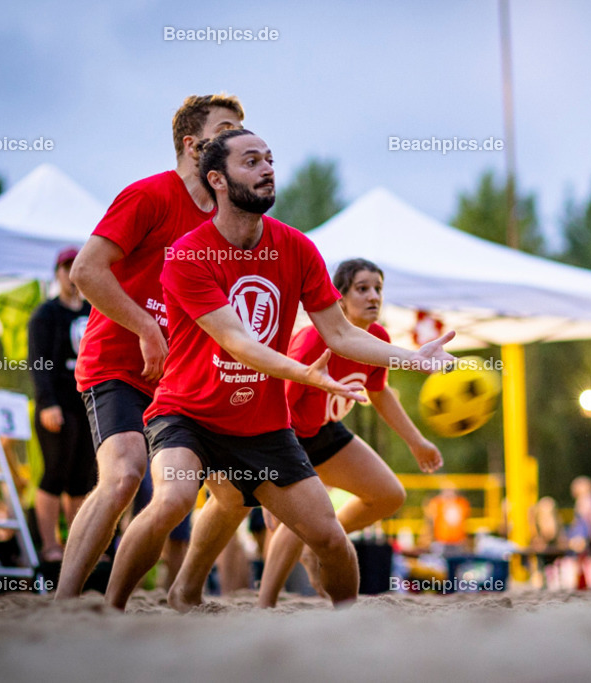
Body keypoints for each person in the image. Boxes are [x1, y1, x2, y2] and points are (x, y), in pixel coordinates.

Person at [104, 129, 455, 612]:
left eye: (270, 159)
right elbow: (238, 342)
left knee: (328, 537)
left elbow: (343, 334)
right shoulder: (188, 253)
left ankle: (347, 624)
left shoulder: (297, 248)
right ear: (218, 180)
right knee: (172, 500)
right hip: (187, 412)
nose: (268, 169)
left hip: (260, 423)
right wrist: (305, 375)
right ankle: (107, 612)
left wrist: (414, 359)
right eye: (251, 161)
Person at [55, 94, 245, 599]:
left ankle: (183, 592)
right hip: (117, 364)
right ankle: (64, 605)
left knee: (231, 491)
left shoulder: (226, 220)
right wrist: (146, 327)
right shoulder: (148, 196)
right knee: (123, 476)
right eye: (226, 128)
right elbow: (85, 271)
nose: (237, 139)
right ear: (193, 143)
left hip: (180, 382)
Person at [255, 257, 443, 607]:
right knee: (296, 522)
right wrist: (273, 467)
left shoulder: (378, 338)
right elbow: (278, 402)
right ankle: (264, 606)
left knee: (389, 495)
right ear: (339, 298)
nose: (373, 296)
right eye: (363, 289)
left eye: (378, 289)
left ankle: (321, 541)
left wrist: (417, 441)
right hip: (287, 433)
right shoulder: (313, 340)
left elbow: (380, 392)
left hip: (326, 431)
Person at [28, 247, 94, 562]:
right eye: (66, 267)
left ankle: (77, 546)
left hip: (86, 403)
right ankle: (49, 544)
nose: (72, 274)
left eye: (76, 266)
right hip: (57, 402)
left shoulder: (92, 311)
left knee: (83, 476)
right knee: (56, 470)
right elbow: (37, 362)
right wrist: (46, 402)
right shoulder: (46, 313)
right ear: (57, 272)